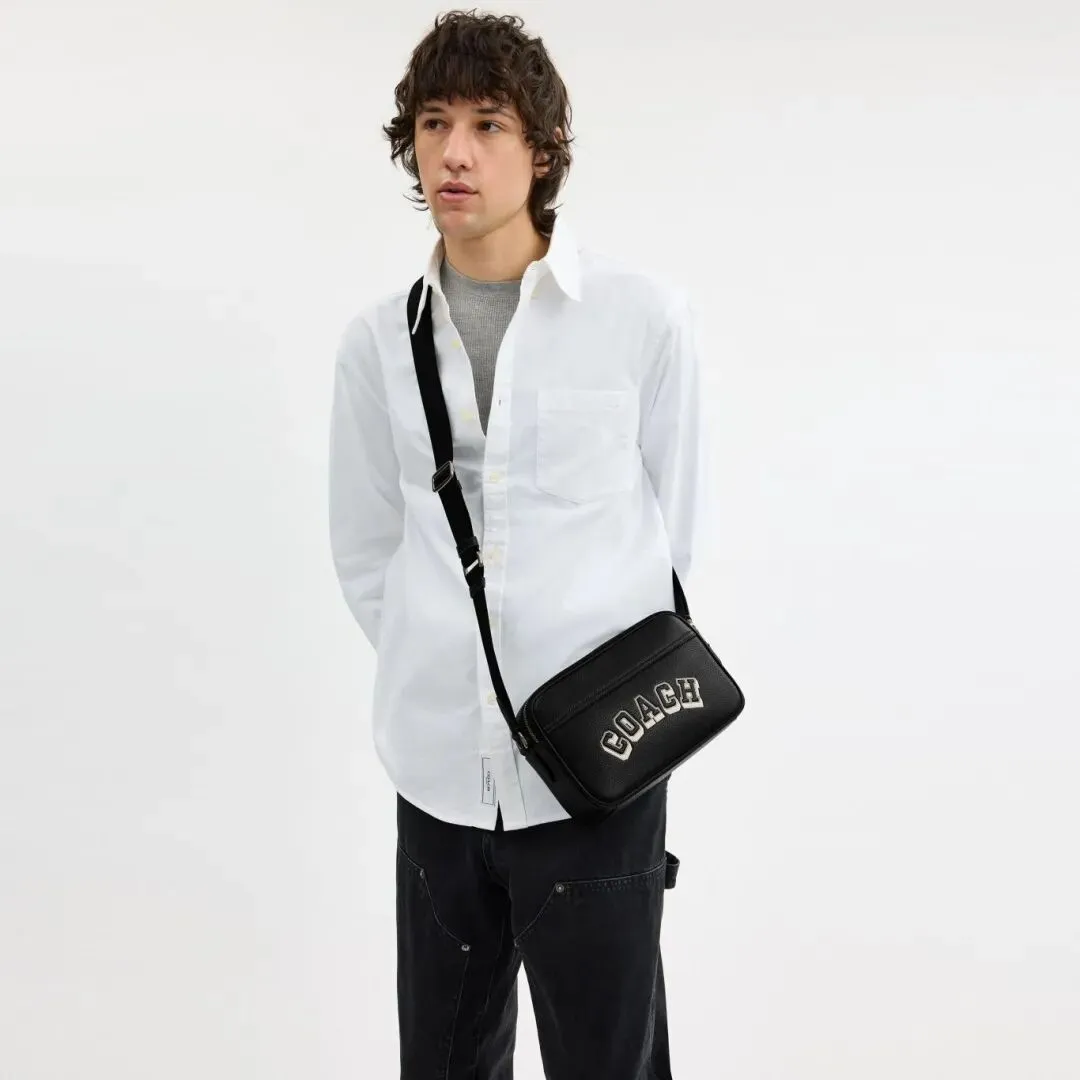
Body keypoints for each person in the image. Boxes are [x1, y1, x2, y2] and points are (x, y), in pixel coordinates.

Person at [329, 10, 708, 1079]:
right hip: (438, 774)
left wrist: (580, 669)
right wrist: (439, 661)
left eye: (488, 124)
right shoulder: (377, 342)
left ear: (541, 152)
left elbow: (678, 533)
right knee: (444, 1060)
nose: (454, 152)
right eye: (434, 123)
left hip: (598, 776)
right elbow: (367, 546)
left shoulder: (641, 318)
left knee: (610, 1061)